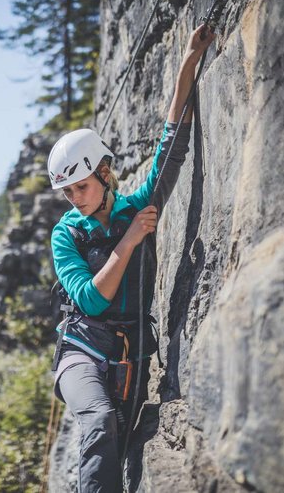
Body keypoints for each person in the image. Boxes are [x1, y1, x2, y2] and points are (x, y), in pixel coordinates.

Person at [48, 24, 216, 492]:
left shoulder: (136, 206)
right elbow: (90, 299)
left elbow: (171, 151)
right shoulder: (67, 234)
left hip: (131, 356)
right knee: (99, 421)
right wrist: (127, 244)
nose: (75, 198)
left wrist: (186, 63)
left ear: (105, 172)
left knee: (117, 450)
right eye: (67, 191)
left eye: (81, 186)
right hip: (81, 351)